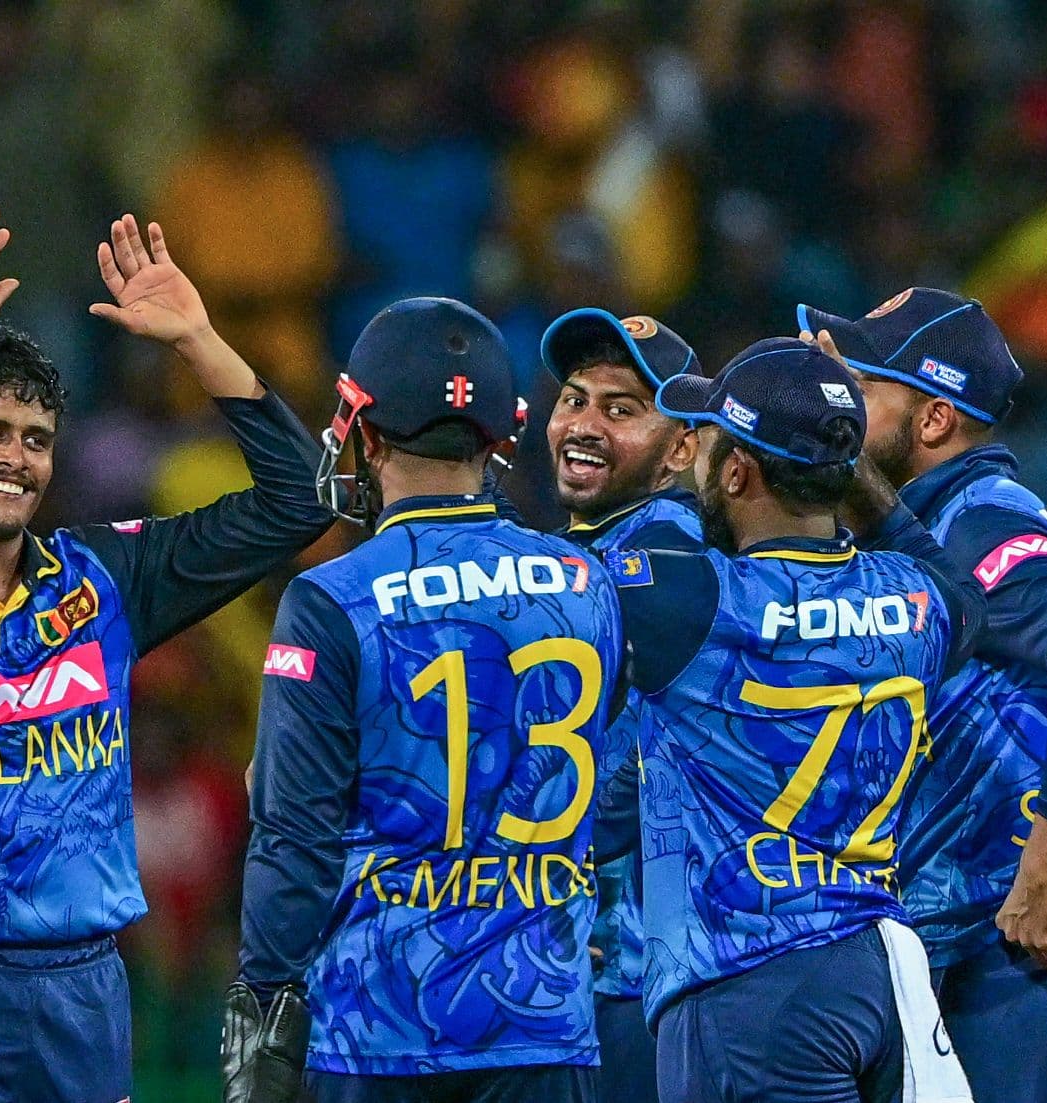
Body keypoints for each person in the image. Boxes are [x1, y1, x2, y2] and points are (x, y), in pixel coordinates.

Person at [0, 205, 334, 1103]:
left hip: (80, 1002)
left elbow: (297, 505)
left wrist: (198, 341)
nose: (17, 459)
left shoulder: (105, 584)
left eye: (36, 440)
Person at [223, 297, 625, 1103]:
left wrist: (261, 1000)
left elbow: (293, 835)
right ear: (504, 437)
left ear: (364, 432)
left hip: (379, 1030)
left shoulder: (329, 598)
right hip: (545, 1022)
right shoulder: (590, 583)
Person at [599, 338, 986, 1103]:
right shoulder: (917, 600)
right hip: (874, 975)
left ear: (738, 471)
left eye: (708, 445)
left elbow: (568, 578)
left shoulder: (697, 602)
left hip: (749, 983)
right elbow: (961, 594)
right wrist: (844, 465)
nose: (694, 460)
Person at [797, 289, 1047, 1103]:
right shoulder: (908, 525)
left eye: (867, 388)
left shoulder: (981, 518)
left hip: (1009, 946)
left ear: (932, 420)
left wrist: (1042, 871)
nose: (845, 406)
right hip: (940, 933)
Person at [537, 308, 702, 1103]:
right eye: (574, 399)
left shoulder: (666, 557)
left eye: (622, 408)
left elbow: (657, 767)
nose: (586, 423)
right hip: (577, 971)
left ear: (682, 448)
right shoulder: (575, 555)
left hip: (633, 982)